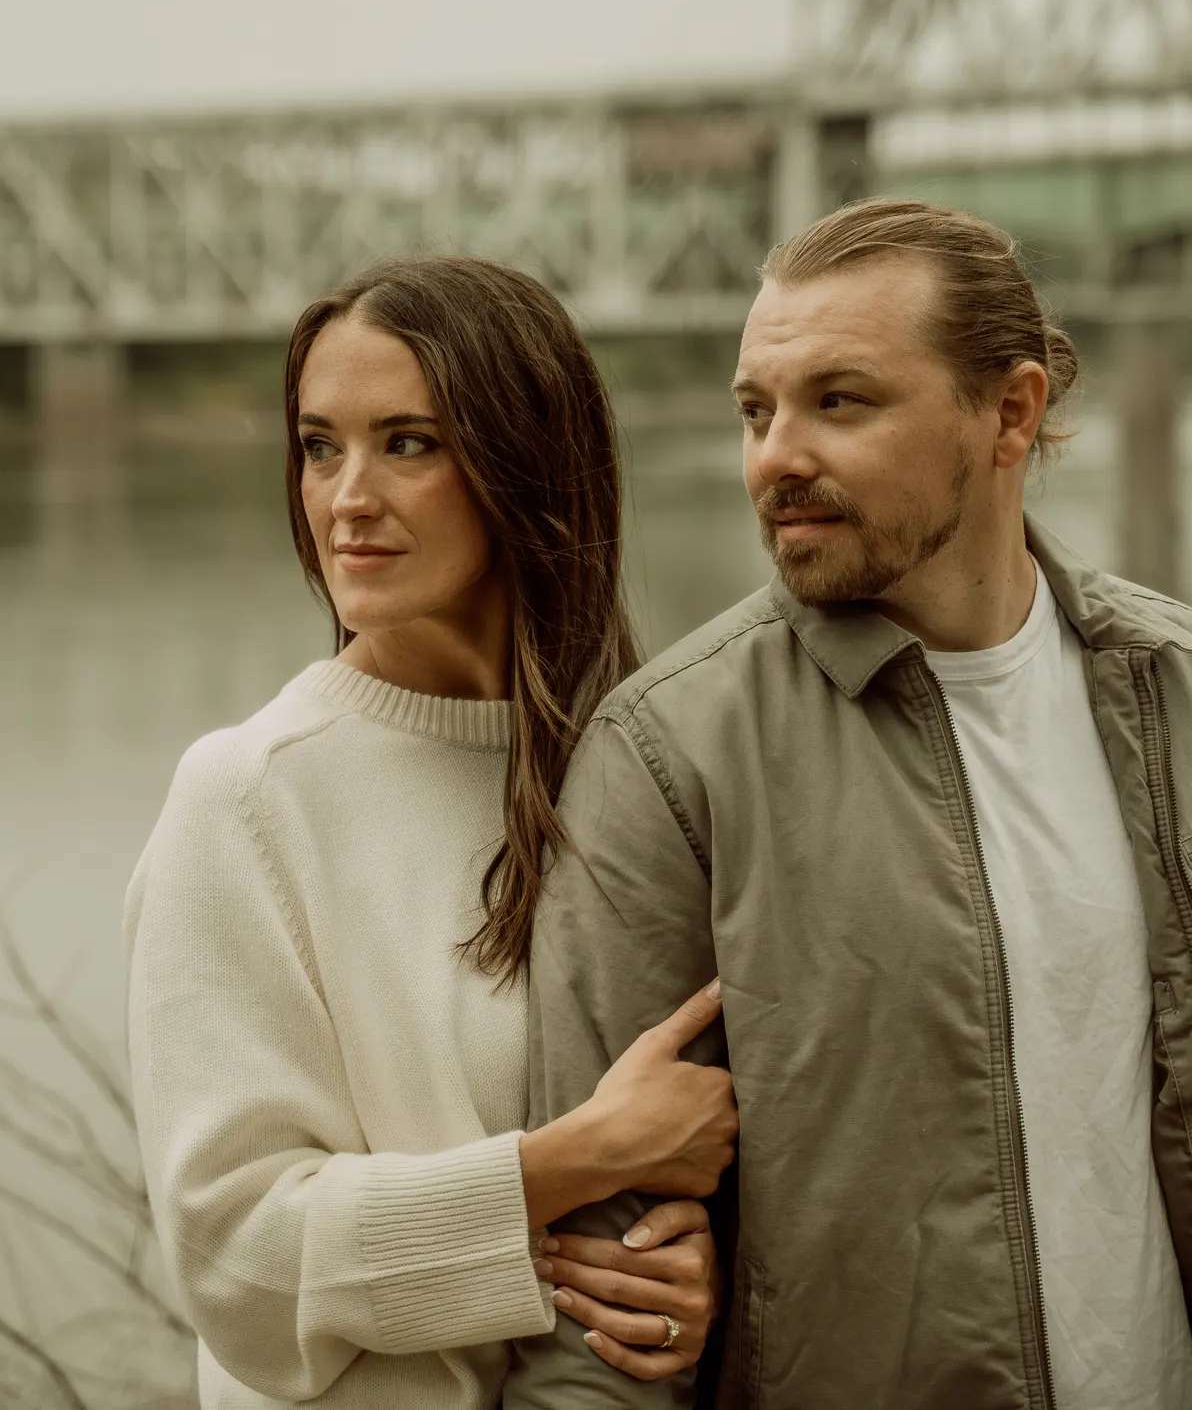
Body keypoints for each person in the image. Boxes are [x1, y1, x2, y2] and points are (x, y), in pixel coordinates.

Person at [506, 200, 1192, 1409]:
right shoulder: (673, 755)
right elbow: (598, 1297)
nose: (776, 457)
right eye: (755, 410)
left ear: (1010, 413)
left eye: (840, 401)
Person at [126, 256, 739, 1410]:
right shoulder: (247, 795)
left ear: (524, 465)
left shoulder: (647, 767)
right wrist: (572, 1169)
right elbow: (235, 1255)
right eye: (319, 445)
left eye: (409, 442)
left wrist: (686, 1275)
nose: (347, 495)